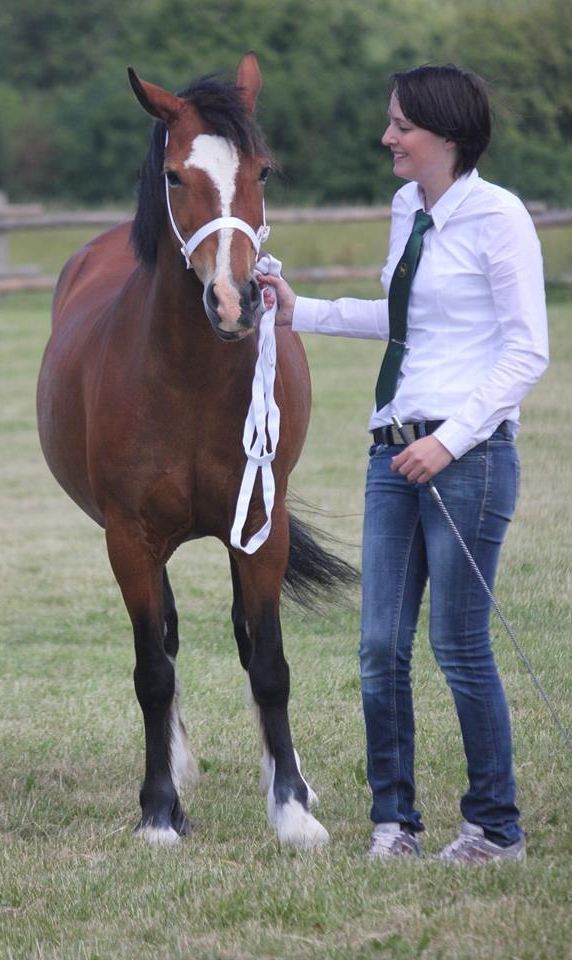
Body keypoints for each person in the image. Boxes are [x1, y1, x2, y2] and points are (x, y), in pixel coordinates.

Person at [259, 64, 549, 862]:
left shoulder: (498, 217)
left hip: (468, 460)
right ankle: (396, 825)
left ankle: (494, 829)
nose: (387, 137)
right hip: (391, 454)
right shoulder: (405, 210)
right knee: (378, 648)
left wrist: (448, 439)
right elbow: (403, 316)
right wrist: (301, 310)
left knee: (458, 647)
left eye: (400, 126)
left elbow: (528, 350)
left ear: (445, 137)